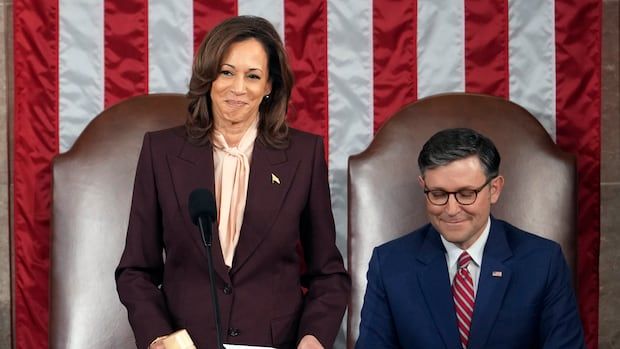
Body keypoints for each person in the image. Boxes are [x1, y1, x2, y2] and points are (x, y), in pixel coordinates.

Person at [115, 15, 350, 349]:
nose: (238, 88)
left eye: (252, 76)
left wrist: (313, 339)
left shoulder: (304, 155)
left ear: (269, 86)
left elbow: (328, 273)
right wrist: (158, 337)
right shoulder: (161, 151)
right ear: (209, 76)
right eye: (226, 72)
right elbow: (135, 270)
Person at [355, 128, 585, 348]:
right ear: (423, 187)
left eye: (466, 194)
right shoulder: (389, 264)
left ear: (494, 189)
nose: (452, 209)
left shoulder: (543, 261)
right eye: (438, 194)